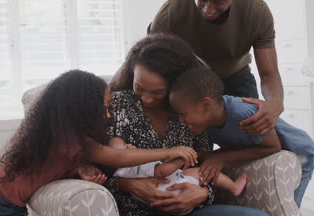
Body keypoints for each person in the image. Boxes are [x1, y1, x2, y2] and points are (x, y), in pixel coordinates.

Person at [0, 69, 198, 216]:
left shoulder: (73, 140)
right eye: (103, 109)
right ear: (82, 108)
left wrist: (78, 169)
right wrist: (170, 152)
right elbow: (119, 158)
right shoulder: (64, 137)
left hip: (10, 203)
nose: (107, 116)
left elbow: (49, 167)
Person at [107, 33, 269, 216]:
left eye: (157, 92)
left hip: (188, 210)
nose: (146, 99)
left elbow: (202, 165)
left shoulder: (191, 110)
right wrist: (128, 185)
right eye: (139, 88)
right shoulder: (115, 107)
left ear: (176, 83)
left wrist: (203, 193)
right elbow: (94, 170)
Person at [148, 0, 284, 137]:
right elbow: (149, 58)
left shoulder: (256, 11)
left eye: (219, 2)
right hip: (192, 81)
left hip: (236, 77)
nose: (209, 10)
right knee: (195, 142)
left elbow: (269, 73)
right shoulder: (174, 8)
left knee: (252, 133)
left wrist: (275, 105)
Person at [169, 67, 314, 207]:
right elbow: (237, 147)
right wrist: (198, 156)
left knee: (286, 206)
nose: (181, 120)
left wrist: (222, 158)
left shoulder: (242, 113)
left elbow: (273, 147)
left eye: (182, 113)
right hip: (273, 156)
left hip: (300, 153)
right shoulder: (210, 122)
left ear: (206, 105)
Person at [108, 137, 247, 215]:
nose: (131, 144)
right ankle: (233, 187)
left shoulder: (120, 171)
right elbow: (162, 171)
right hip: (173, 191)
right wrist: (181, 158)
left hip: (177, 193)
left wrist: (205, 193)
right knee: (202, 172)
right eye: (126, 146)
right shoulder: (134, 165)